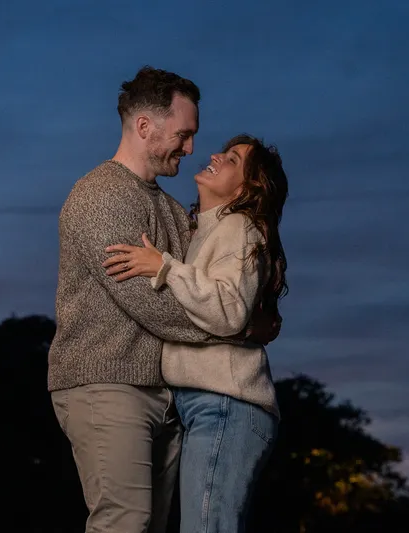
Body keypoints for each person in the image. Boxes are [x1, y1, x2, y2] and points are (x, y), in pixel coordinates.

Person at [47, 67, 278, 533]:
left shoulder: (174, 210)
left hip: (166, 395)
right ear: (145, 126)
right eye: (183, 134)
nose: (191, 148)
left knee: (152, 527)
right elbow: (150, 305)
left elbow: (221, 283)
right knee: (124, 521)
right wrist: (236, 331)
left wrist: (245, 313)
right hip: (106, 381)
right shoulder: (101, 197)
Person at [101, 133, 289, 533]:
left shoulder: (239, 226)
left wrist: (163, 267)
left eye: (234, 160)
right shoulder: (204, 229)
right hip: (204, 404)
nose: (215, 156)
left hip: (227, 403)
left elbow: (228, 311)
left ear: (248, 187)